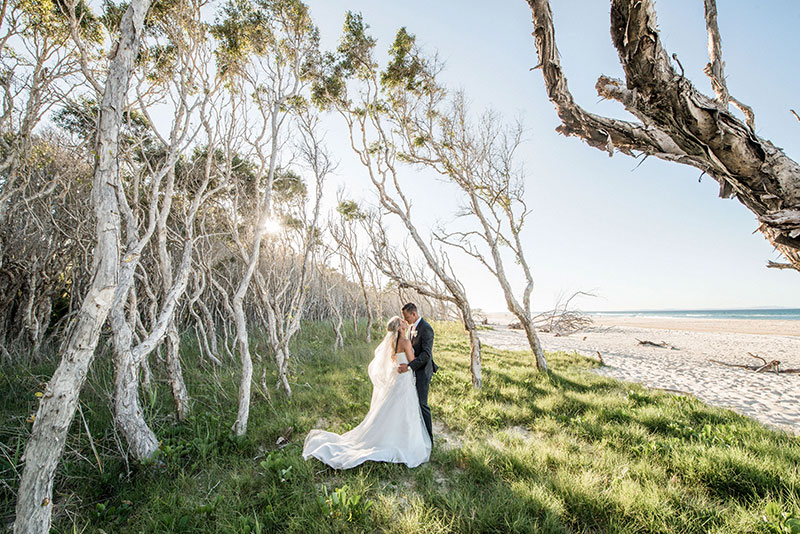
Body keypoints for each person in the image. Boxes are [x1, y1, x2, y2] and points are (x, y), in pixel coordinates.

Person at [302, 316, 431, 469]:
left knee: (392, 410)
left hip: (397, 379)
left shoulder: (392, 342)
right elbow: (412, 359)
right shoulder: (405, 341)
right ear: (400, 327)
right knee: (404, 410)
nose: (405, 322)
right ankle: (403, 442)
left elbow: (394, 359)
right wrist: (414, 357)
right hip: (404, 380)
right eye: (402, 321)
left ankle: (388, 436)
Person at [398, 302, 437, 444]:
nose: (406, 320)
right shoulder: (411, 328)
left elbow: (426, 354)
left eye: (407, 317)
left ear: (414, 314)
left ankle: (429, 439)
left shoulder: (426, 329)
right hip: (412, 372)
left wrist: (409, 367)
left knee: (422, 404)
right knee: (413, 403)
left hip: (422, 371)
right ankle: (416, 435)